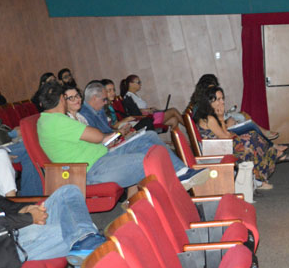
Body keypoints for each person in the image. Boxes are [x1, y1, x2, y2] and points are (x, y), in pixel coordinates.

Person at [0, 102, 106, 268]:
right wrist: (27, 218)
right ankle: (90, 244)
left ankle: (87, 240)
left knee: (69, 191)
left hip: (7, 227)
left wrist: (25, 208)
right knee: (77, 235)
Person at [36, 81, 209, 190]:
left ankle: (181, 172)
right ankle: (171, 194)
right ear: (61, 99)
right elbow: (97, 136)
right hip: (93, 170)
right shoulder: (56, 121)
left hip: (103, 156)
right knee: (149, 159)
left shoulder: (50, 119)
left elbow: (97, 138)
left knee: (148, 137)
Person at [193, 86, 289, 190]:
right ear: (209, 101)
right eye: (218, 99)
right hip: (217, 149)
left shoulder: (210, 115)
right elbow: (225, 137)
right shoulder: (209, 118)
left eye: (222, 98)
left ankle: (260, 175)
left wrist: (223, 122)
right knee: (250, 144)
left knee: (253, 135)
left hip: (221, 145)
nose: (222, 102)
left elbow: (225, 134)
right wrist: (222, 119)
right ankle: (261, 175)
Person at [0, 78, 43, 196]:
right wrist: (13, 134)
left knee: (30, 146)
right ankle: (30, 194)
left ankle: (33, 193)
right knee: (29, 148)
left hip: (2, 146)